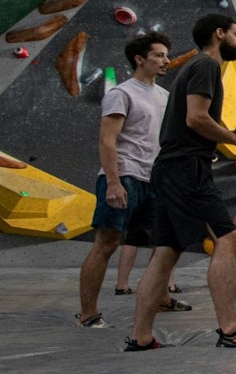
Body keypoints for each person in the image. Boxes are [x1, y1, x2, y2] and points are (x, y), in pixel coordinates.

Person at [125, 14, 236, 351]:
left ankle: (141, 335)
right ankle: (232, 328)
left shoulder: (194, 70)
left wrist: (235, 132)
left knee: (166, 251)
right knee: (229, 236)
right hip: (186, 167)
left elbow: (203, 118)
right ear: (219, 34)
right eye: (235, 34)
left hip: (171, 167)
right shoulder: (206, 66)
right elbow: (196, 119)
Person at [76, 33, 189, 328]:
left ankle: (162, 299)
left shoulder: (165, 96)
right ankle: (87, 314)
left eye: (167, 55)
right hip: (124, 176)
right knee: (107, 243)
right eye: (159, 55)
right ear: (140, 59)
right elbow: (107, 140)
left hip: (155, 181)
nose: (166, 61)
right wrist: (113, 182)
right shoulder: (121, 93)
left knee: (164, 244)